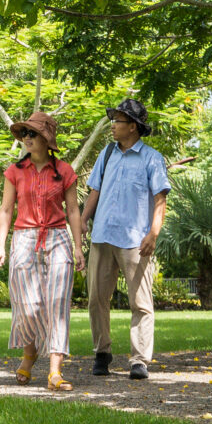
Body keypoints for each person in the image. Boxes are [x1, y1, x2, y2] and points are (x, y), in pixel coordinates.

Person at [0, 110, 84, 391]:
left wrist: (79, 247)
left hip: (57, 239)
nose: (26, 138)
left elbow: (73, 211)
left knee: (57, 306)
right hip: (24, 238)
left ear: (47, 139)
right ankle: (29, 353)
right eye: (24, 134)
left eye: (32, 134)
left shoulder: (65, 171)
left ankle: (55, 372)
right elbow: (6, 209)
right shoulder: (15, 171)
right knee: (27, 305)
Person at [81, 97, 171, 379]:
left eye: (117, 121)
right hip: (103, 235)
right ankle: (102, 352)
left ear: (133, 126)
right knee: (96, 298)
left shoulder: (152, 159)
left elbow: (160, 200)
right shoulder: (106, 154)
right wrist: (83, 220)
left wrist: (153, 233)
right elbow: (94, 191)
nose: (112, 126)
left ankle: (139, 360)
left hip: (135, 240)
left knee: (140, 302)